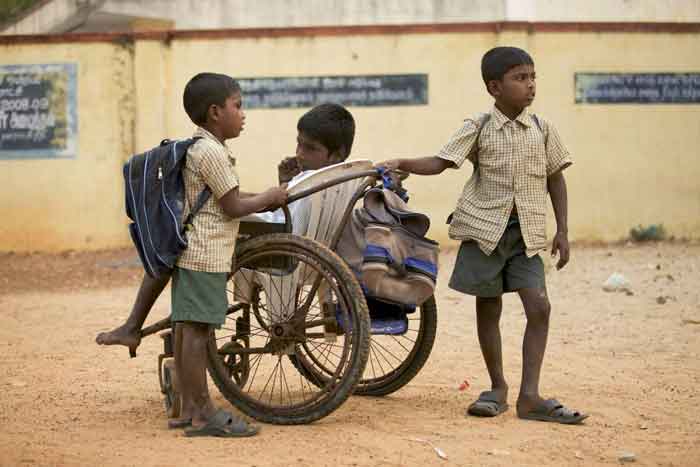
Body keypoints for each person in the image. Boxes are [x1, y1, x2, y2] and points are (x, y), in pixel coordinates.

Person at [378, 47, 587, 424]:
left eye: (532, 77)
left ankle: (530, 396)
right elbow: (441, 163)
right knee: (489, 307)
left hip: (526, 235)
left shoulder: (543, 129)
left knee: (539, 307)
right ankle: (497, 388)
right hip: (483, 232)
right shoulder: (478, 127)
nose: (530, 86)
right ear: (495, 87)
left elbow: (556, 177)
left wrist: (564, 230)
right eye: (520, 78)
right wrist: (403, 163)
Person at [95, 103, 355, 356]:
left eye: (309, 148)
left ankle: (135, 325)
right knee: (184, 231)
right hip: (307, 256)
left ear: (336, 154)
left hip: (278, 253)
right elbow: (290, 212)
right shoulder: (339, 177)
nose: (299, 153)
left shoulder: (308, 179)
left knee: (172, 240)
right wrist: (282, 186)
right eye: (298, 143)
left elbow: (268, 215)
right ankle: (137, 324)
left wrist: (268, 195)